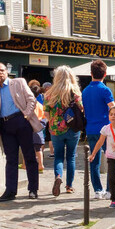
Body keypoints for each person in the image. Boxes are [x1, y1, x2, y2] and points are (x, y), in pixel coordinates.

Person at [0, 63, 40, 201]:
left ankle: (33, 189)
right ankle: (10, 190)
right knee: (11, 159)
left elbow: (31, 100)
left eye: (1, 71)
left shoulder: (18, 82)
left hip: (20, 121)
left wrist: (26, 115)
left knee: (29, 156)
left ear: (7, 72)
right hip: (5, 125)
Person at [43, 66, 84, 197]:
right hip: (72, 128)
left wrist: (54, 122)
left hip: (55, 130)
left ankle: (58, 176)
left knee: (58, 156)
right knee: (71, 157)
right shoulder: (75, 92)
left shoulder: (49, 94)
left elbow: (45, 114)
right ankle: (69, 186)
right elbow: (82, 109)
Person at [81, 60, 114, 200]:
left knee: (94, 160)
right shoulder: (105, 90)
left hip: (91, 129)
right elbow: (113, 108)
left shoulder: (85, 91)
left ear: (91, 74)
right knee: (111, 160)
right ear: (105, 74)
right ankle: (109, 190)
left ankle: (97, 190)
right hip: (105, 130)